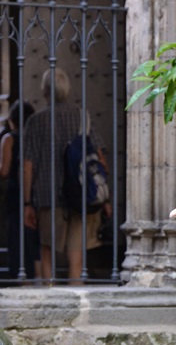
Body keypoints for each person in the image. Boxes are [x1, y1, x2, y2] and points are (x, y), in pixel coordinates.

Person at [23, 68, 109, 283]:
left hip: (47, 194)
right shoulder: (82, 117)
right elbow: (99, 158)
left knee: (47, 252)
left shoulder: (35, 121)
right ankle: (75, 300)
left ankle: (48, 300)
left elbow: (27, 165)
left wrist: (27, 202)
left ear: (44, 91)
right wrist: (105, 194)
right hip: (80, 194)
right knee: (76, 257)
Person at [0, 100, 41, 280]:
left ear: (12, 120)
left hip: (16, 194)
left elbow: (5, 170)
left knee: (16, 239)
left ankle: (21, 277)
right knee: (34, 239)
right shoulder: (36, 137)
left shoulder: (9, 139)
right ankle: (38, 277)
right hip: (36, 192)